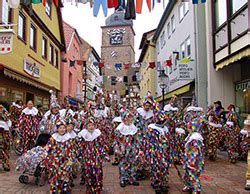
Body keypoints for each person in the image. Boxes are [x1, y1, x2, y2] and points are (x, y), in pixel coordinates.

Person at [78, 116, 110, 193]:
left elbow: (102, 145)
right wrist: (79, 155)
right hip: (87, 157)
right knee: (88, 171)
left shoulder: (98, 134)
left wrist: (105, 154)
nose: (91, 127)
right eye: (89, 125)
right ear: (86, 126)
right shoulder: (83, 135)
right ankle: (89, 187)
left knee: (98, 171)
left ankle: (98, 186)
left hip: (97, 156)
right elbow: (80, 146)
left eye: (92, 125)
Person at [44, 118, 74, 194]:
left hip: (65, 161)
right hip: (55, 161)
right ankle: (54, 189)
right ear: (57, 129)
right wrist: (46, 152)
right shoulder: (53, 138)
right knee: (55, 175)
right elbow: (48, 147)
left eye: (63, 128)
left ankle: (65, 188)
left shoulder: (68, 138)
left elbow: (71, 149)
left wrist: (71, 158)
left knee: (65, 174)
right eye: (60, 128)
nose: (62, 129)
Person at [114, 108, 140, 187]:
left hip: (132, 148)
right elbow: (117, 139)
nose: (130, 119)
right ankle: (123, 179)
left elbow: (136, 137)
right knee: (123, 163)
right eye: (128, 117)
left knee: (132, 162)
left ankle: (132, 178)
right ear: (124, 118)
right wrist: (120, 146)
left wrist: (137, 147)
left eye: (131, 117)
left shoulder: (133, 126)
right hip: (124, 148)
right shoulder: (120, 127)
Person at [146, 111, 171, 193]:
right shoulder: (152, 129)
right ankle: (156, 183)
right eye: (163, 120)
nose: (164, 121)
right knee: (156, 167)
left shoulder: (165, 128)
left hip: (165, 152)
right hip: (156, 152)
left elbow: (168, 140)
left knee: (164, 167)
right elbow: (150, 142)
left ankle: (163, 183)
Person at [183, 118, 205, 194]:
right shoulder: (191, 136)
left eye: (189, 128)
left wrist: (192, 162)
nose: (187, 129)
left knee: (194, 175)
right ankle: (189, 186)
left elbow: (195, 153)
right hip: (189, 159)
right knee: (187, 174)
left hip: (193, 161)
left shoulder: (195, 138)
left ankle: (196, 190)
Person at [0, 104, 11, 171]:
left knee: (5, 149)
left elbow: (8, 120)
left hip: (4, 134)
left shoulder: (5, 114)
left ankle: (5, 164)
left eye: (1, 107)